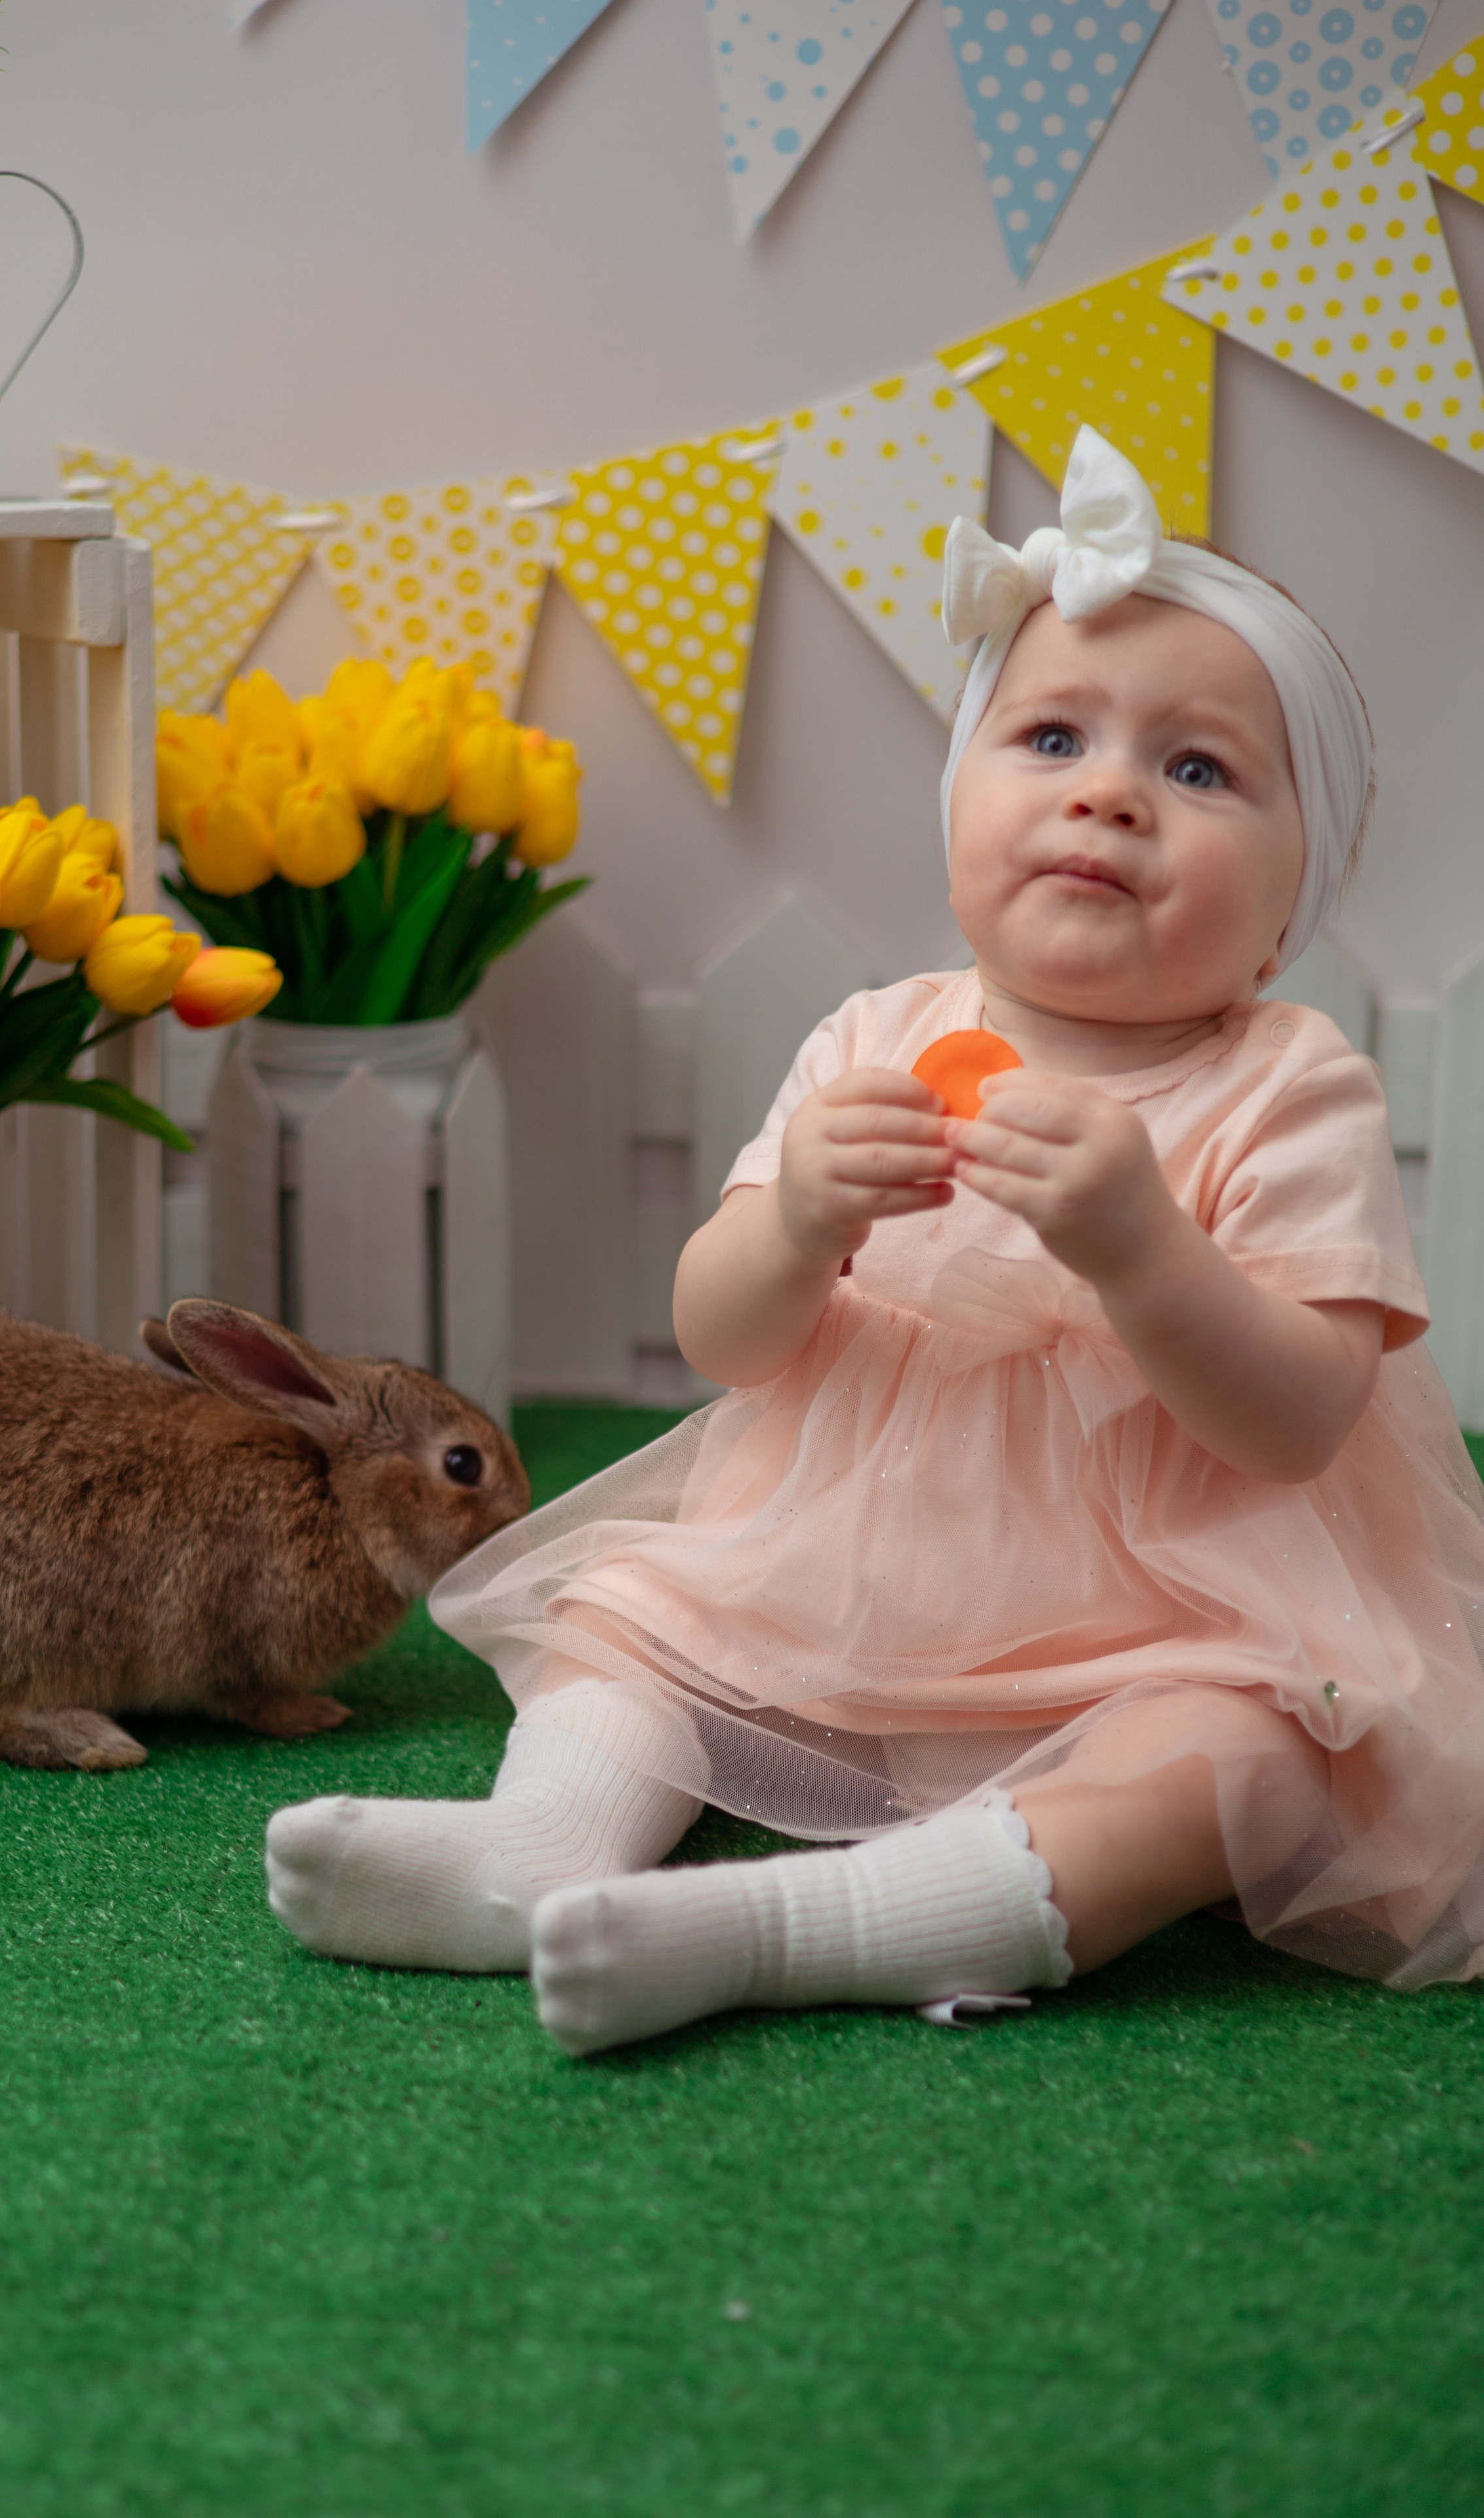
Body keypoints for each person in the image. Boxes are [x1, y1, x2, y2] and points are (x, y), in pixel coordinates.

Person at [264, 426, 1484, 2055]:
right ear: (961, 798)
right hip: (843, 1580)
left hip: (1168, 1618)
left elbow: (1297, 1416)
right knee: (634, 1612)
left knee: (1252, 1758)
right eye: (1049, 735)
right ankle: (541, 1848)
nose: (1109, 794)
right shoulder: (875, 1038)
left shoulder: (1286, 1083)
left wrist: (1140, 1248)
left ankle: (800, 1928)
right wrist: (800, 1224)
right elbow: (723, 1337)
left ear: (1286, 907)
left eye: (1197, 771)